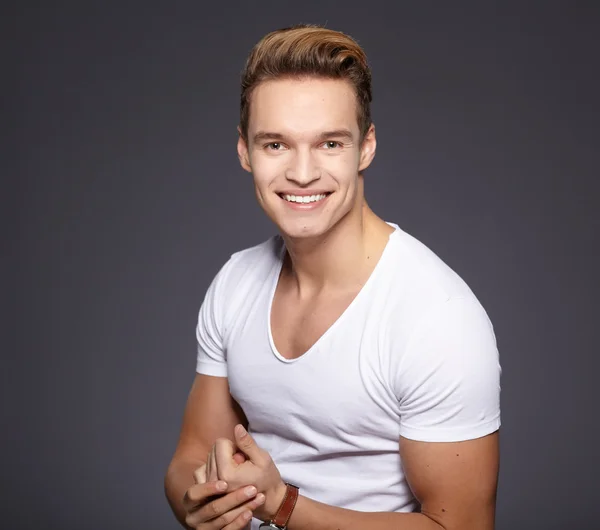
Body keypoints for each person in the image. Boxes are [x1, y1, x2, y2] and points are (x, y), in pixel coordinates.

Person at [164, 24, 501, 530]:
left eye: (329, 144)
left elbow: (463, 527)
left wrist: (284, 507)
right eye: (276, 144)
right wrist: (199, 503)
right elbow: (190, 457)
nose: (302, 173)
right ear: (244, 151)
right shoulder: (236, 283)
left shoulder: (436, 318)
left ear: (365, 148)